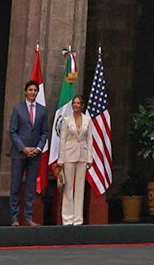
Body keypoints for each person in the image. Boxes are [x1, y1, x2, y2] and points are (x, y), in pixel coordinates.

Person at [7, 79, 48, 226]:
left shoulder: (43, 110)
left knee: (31, 187)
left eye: (35, 90)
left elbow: (44, 132)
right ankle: (15, 218)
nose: (33, 93)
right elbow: (12, 131)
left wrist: (38, 148)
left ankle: (29, 217)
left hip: (35, 154)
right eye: (30, 90)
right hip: (19, 153)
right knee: (16, 186)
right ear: (25, 92)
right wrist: (23, 148)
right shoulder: (18, 109)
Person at [53, 93, 93, 226]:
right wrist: (61, 159)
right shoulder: (66, 120)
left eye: (78, 103)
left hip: (82, 155)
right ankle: (67, 219)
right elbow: (62, 140)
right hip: (69, 155)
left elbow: (89, 140)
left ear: (82, 105)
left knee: (80, 187)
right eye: (74, 103)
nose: (75, 105)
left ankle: (78, 219)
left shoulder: (87, 120)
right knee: (68, 187)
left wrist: (89, 158)